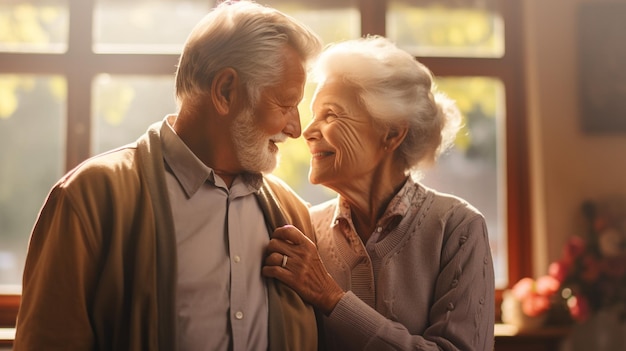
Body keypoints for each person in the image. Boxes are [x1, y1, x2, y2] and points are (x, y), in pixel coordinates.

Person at [13, 1, 323, 350]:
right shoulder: (88, 199)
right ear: (225, 91)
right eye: (285, 105)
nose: (296, 128)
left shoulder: (293, 214)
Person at [263, 36, 495, 350]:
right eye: (313, 114)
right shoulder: (306, 228)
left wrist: (331, 298)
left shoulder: (458, 229)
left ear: (391, 133)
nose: (307, 131)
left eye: (330, 114)